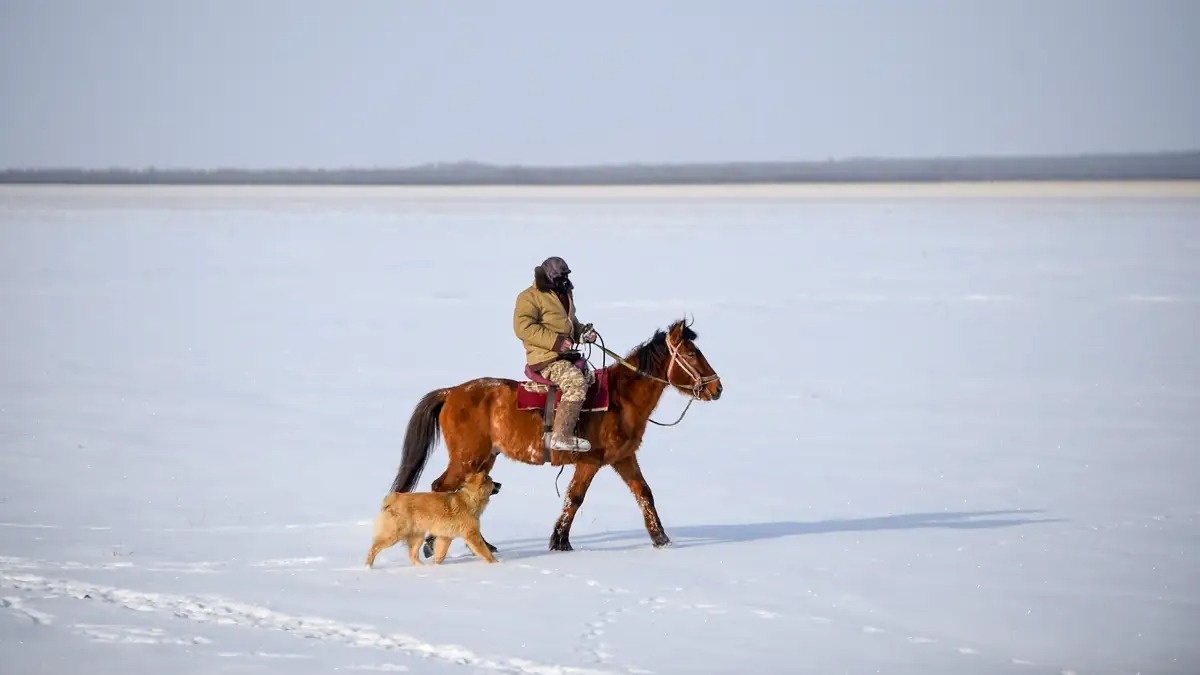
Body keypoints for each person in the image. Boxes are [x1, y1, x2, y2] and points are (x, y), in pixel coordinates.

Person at [513, 256, 598, 452]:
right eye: (561, 276)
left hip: (564, 356)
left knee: (593, 380)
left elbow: (570, 322)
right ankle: (561, 435)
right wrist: (556, 342)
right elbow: (522, 327)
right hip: (545, 359)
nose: (565, 280)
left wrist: (582, 333)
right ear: (550, 275)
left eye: (567, 276)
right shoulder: (529, 297)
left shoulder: (564, 293)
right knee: (576, 382)